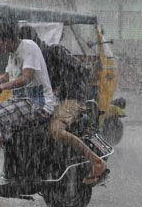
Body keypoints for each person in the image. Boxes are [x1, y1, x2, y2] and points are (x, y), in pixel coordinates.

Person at [18, 26, 108, 185]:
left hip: (72, 99)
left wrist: (64, 85)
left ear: (32, 43)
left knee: (56, 130)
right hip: (54, 100)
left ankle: (97, 163)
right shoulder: (33, 59)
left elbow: (83, 70)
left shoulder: (55, 51)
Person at [0, 22, 58, 184]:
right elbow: (8, 77)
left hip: (38, 103)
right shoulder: (12, 53)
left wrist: (0, 87)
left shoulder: (29, 47)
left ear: (6, 40)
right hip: (20, 101)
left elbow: (25, 78)